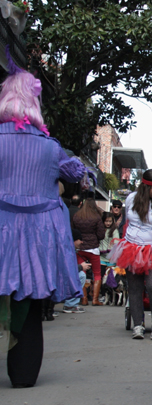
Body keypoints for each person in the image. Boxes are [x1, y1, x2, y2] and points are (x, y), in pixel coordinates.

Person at [0, 56, 87, 387]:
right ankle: (22, 375)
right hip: (36, 239)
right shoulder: (51, 149)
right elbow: (79, 174)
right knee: (31, 306)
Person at [110, 169, 152, 340]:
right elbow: (130, 220)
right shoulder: (132, 198)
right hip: (133, 247)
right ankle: (138, 326)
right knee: (134, 288)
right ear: (147, 187)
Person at [72, 196, 106, 306]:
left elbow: (73, 230)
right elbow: (101, 235)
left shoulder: (77, 216)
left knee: (81, 272)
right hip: (93, 248)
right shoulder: (96, 217)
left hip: (80, 248)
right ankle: (95, 299)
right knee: (97, 274)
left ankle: (84, 299)